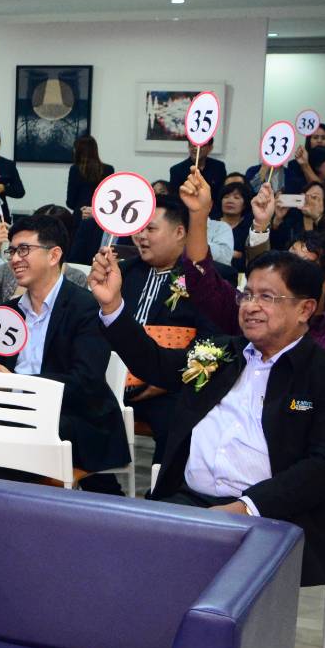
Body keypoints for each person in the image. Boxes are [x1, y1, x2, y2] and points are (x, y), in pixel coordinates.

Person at [89, 245, 325, 591]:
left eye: (267, 297)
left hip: (274, 515)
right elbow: (155, 363)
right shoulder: (221, 353)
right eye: (247, 295)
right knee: (115, 563)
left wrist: (244, 508)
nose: (250, 306)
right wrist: (112, 307)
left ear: (305, 309)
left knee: (206, 586)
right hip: (189, 502)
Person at [179, 172, 325, 405]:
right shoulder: (253, 315)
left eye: (303, 264)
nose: (288, 271)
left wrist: (295, 407)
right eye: (288, 260)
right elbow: (201, 280)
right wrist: (199, 214)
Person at [0, 216, 130, 492]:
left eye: (24, 250)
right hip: (14, 411)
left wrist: (15, 382)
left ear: (54, 255)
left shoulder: (87, 307)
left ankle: (10, 504)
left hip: (73, 414)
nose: (15, 259)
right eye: (11, 251)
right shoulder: (8, 312)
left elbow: (85, 381)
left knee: (14, 436)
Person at [116, 195, 211, 455]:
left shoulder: (204, 278)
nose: (141, 236)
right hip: (114, 381)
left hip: (172, 386)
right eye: (139, 228)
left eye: (150, 229)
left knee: (178, 424)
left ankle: (163, 482)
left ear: (179, 232)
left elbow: (210, 342)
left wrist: (166, 379)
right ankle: (101, 481)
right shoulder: (122, 272)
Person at [169, 137, 226, 218]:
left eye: (201, 146)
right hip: (187, 215)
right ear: (188, 146)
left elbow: (221, 194)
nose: (196, 148)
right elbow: (175, 199)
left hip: (214, 215)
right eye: (192, 145)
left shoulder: (219, 167)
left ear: (210, 148)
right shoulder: (177, 170)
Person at [65, 134, 111, 219]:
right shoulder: (109, 169)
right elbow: (109, 199)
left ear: (78, 151)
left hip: (81, 217)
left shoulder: (75, 170)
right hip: (101, 218)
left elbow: (70, 202)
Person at [217, 183, 250, 265]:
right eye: (226, 197)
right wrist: (233, 254)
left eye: (236, 198)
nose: (230, 201)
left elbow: (250, 256)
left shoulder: (249, 227)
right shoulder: (210, 224)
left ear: (244, 205)